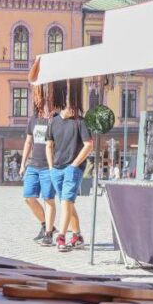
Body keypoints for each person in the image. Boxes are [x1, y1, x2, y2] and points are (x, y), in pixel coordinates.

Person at [46, 90, 94, 253]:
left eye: (75, 105)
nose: (74, 108)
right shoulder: (53, 122)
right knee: (67, 204)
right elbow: (49, 145)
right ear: (62, 105)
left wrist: (74, 165)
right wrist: (51, 167)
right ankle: (77, 236)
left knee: (66, 202)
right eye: (70, 105)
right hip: (56, 169)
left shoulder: (80, 122)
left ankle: (61, 237)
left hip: (73, 169)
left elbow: (89, 145)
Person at [19, 90, 57, 246]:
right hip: (33, 165)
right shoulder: (33, 119)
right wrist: (23, 164)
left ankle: (48, 233)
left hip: (48, 166)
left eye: (45, 100)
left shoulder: (55, 120)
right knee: (28, 197)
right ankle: (45, 224)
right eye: (39, 100)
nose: (41, 103)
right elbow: (28, 143)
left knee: (48, 199)